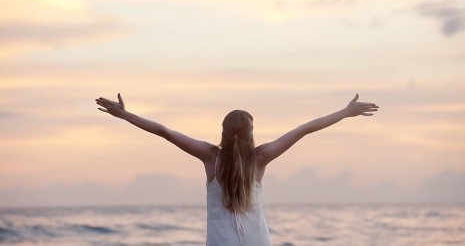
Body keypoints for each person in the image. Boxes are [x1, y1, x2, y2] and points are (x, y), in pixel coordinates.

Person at [95, 93, 378, 245]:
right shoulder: (261, 157)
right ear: (251, 133)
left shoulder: (210, 157)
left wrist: (124, 114)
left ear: (223, 130)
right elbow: (304, 129)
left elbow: (164, 131)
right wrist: (344, 112)